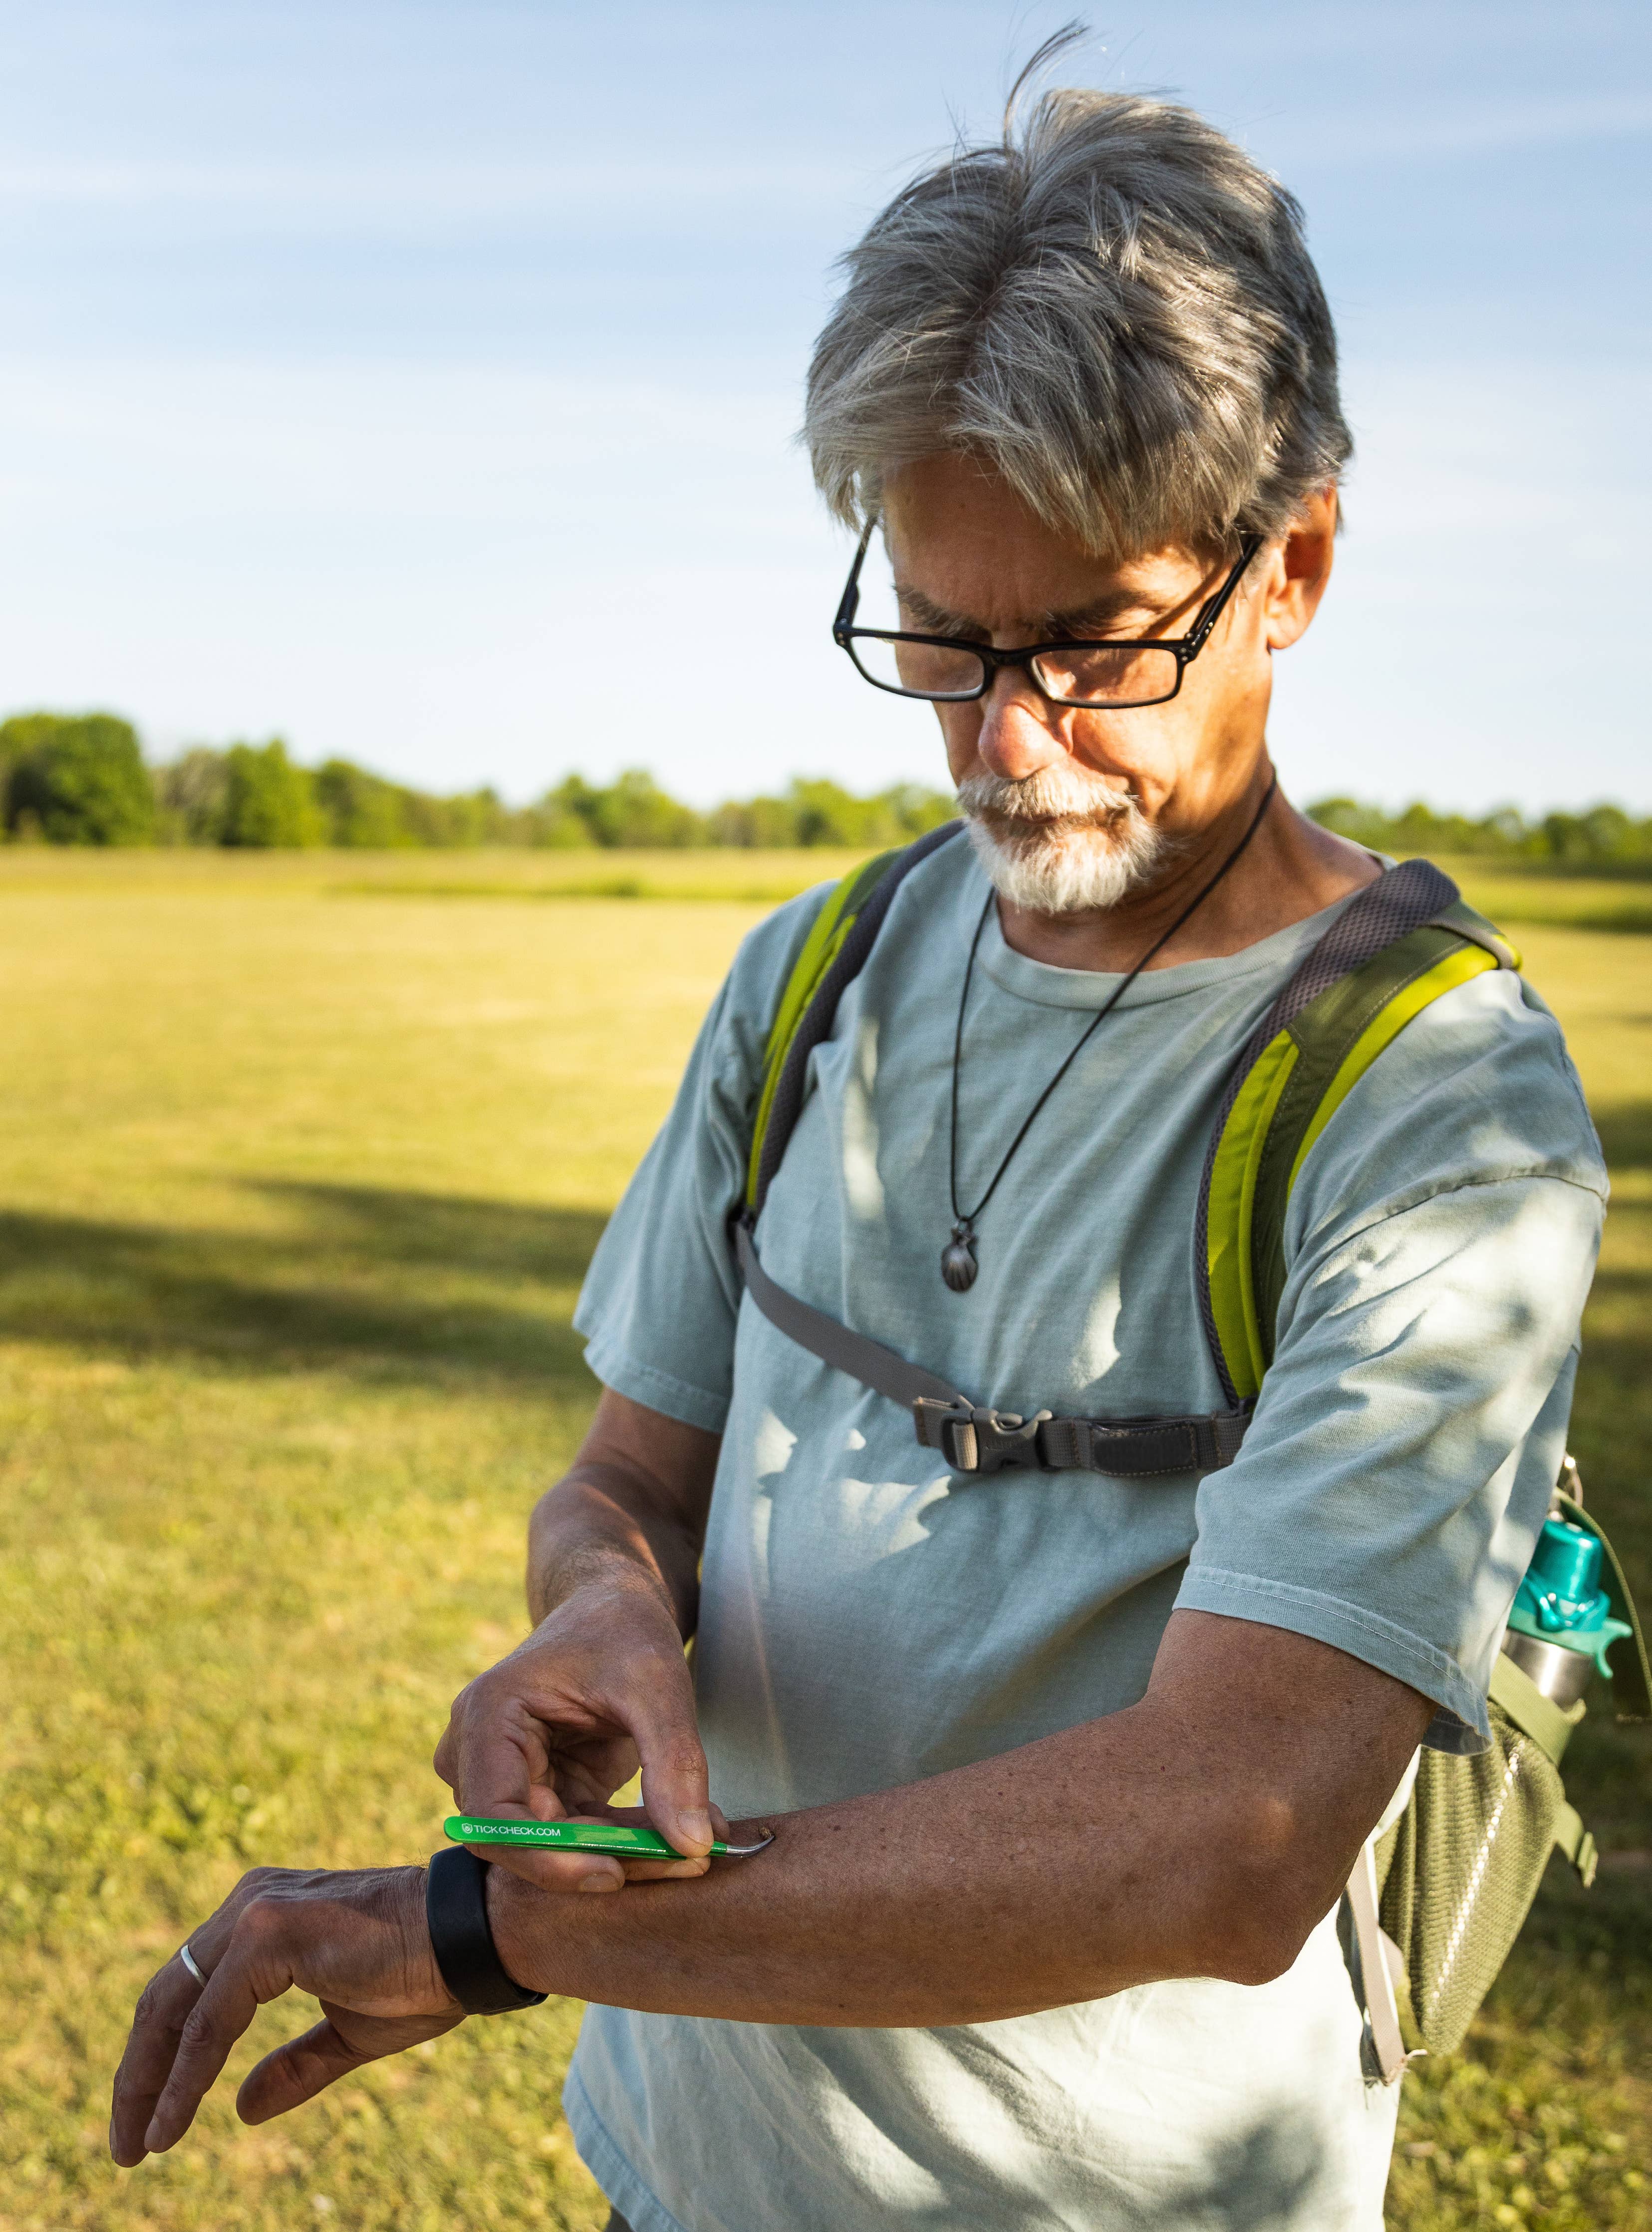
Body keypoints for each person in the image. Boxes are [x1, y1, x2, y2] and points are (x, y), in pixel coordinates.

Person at [111, 68, 1605, 2232]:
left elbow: (1240, 1830)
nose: (1002, 743)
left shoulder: (1433, 1099)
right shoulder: (819, 973)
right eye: (940, 633)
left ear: (1292, 564)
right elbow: (632, 1474)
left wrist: (503, 1928)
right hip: (688, 2167)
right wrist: (600, 1604)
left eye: (1092, 644)